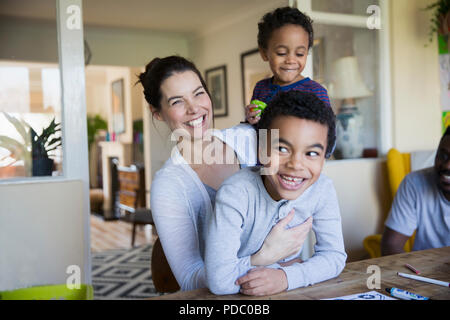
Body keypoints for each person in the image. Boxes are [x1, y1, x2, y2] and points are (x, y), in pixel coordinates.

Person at [138, 56, 312, 291]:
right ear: (157, 112)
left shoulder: (251, 139)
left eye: (198, 93)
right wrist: (262, 257)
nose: (194, 108)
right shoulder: (169, 186)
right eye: (177, 101)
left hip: (286, 285)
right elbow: (190, 278)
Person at [205, 91, 347, 296]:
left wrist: (286, 277)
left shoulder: (322, 189)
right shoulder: (236, 193)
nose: (295, 165)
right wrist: (270, 262)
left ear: (325, 157)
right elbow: (219, 281)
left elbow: (334, 256)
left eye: (312, 153)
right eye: (281, 148)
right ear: (261, 148)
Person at [245, 6, 331, 125]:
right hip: (266, 143)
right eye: (282, 53)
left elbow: (329, 135)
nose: (291, 60)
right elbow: (258, 132)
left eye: (300, 54)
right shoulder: (261, 88)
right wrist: (250, 120)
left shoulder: (316, 92)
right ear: (264, 53)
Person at [381, 127, 450, 255]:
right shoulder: (414, 183)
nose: (447, 165)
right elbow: (390, 245)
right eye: (443, 155)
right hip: (423, 271)